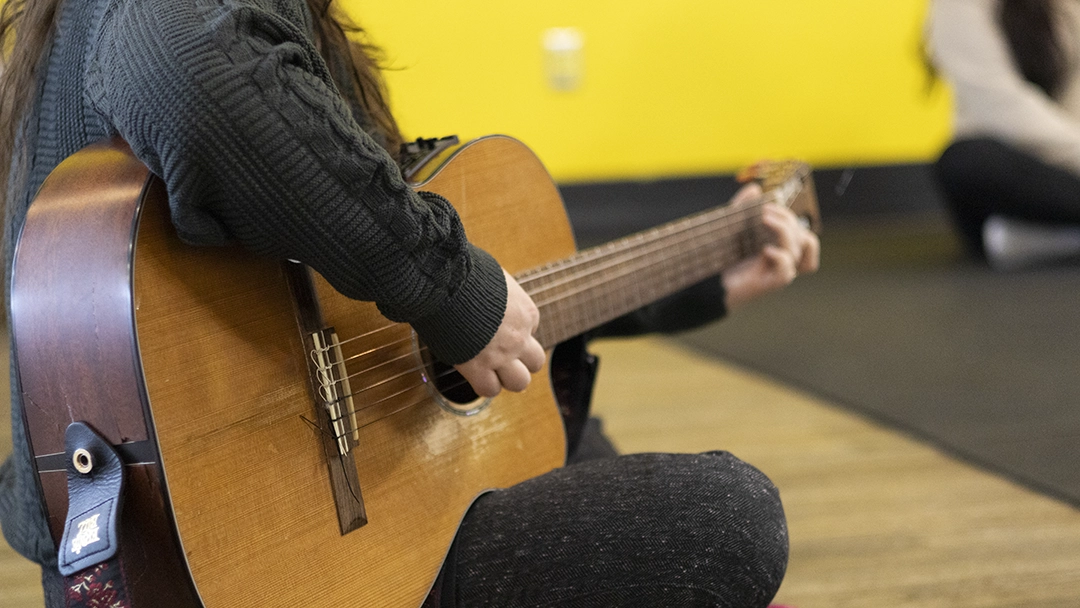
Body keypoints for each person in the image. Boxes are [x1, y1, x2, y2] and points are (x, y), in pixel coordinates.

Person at [0, 1, 819, 606]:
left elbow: (429, 322)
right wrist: (451, 287)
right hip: (266, 562)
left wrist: (708, 278)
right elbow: (181, 65)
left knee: (567, 428)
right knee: (725, 516)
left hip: (133, 557)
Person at [928, 0, 1080, 269]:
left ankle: (1053, 237)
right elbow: (999, 106)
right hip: (1013, 165)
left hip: (1068, 165)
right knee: (966, 161)